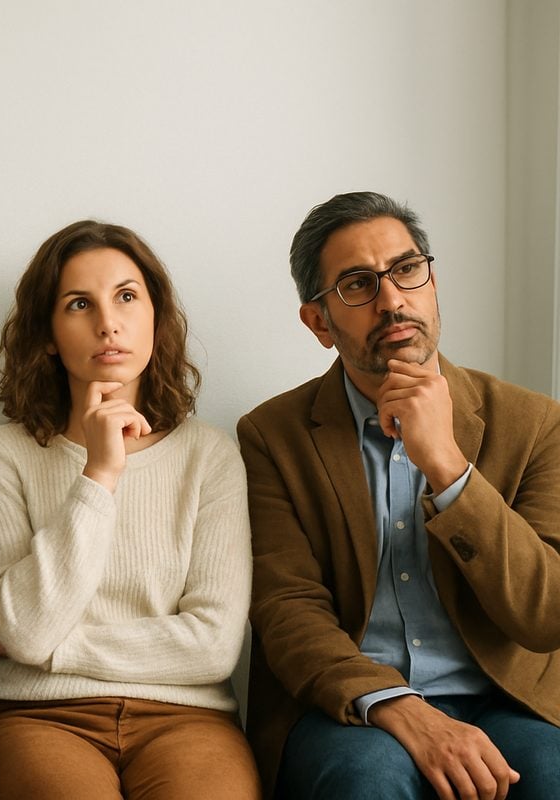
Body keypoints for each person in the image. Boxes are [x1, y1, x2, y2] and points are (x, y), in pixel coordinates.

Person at [240, 191, 560, 800]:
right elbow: (287, 611)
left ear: (432, 281)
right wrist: (396, 705)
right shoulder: (272, 436)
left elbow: (547, 614)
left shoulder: (536, 424)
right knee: (368, 785)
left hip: (508, 697)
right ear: (318, 322)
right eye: (358, 284)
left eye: (407, 270)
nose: (393, 300)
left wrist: (447, 466)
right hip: (352, 708)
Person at [0, 220, 260, 799]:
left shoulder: (210, 455)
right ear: (48, 333)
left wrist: (58, 649)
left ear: (156, 316)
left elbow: (214, 644)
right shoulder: (2, 454)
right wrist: (99, 475)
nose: (108, 322)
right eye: (79, 304)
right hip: (39, 719)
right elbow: (24, 629)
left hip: (187, 721)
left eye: (127, 296)